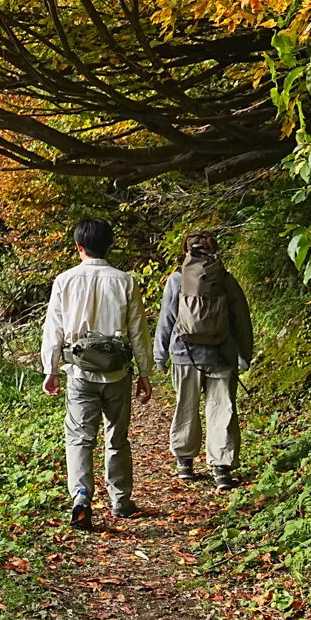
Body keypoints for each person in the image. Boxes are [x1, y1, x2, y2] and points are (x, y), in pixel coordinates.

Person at [42, 217, 151, 530]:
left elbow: (54, 330)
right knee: (117, 437)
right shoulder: (125, 280)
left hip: (79, 374)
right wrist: (144, 372)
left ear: (79, 247)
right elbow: (137, 332)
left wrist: (51, 370)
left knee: (79, 438)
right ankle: (121, 501)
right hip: (117, 374)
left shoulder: (65, 280)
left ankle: (80, 496)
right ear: (109, 245)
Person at [154, 231, 255, 490]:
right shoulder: (225, 279)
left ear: (186, 251)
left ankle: (185, 462)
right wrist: (245, 354)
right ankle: (221, 468)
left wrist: (160, 354)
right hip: (222, 354)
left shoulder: (176, 280)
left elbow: (167, 318)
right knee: (222, 409)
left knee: (185, 407)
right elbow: (241, 320)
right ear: (214, 251)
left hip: (184, 353)